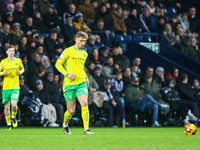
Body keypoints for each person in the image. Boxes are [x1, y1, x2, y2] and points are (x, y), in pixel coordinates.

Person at [55, 31, 95, 134]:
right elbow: (58, 64)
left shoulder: (84, 53)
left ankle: (86, 129)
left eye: (85, 41)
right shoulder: (68, 51)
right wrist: (67, 74)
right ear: (76, 39)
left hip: (81, 83)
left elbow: (80, 68)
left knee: (84, 103)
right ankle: (65, 124)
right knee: (70, 111)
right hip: (69, 84)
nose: (83, 43)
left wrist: (85, 77)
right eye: (81, 41)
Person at [0, 45, 24, 130]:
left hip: (15, 87)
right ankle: (8, 124)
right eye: (10, 50)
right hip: (6, 88)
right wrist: (3, 73)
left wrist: (19, 71)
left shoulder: (18, 61)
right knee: (6, 107)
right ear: (6, 52)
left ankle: (13, 117)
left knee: (14, 105)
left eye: (13, 50)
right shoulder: (3, 62)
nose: (11, 52)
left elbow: (22, 69)